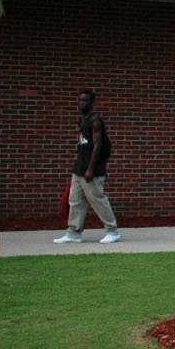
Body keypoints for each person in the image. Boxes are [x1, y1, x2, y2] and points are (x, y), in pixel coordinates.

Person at [54, 88, 122, 244]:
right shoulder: (82, 120)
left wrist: (90, 168)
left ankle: (112, 231)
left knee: (97, 199)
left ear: (92, 102)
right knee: (75, 200)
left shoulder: (95, 120)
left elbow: (98, 145)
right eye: (80, 100)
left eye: (85, 100)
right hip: (79, 169)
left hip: (92, 170)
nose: (81, 103)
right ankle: (73, 233)